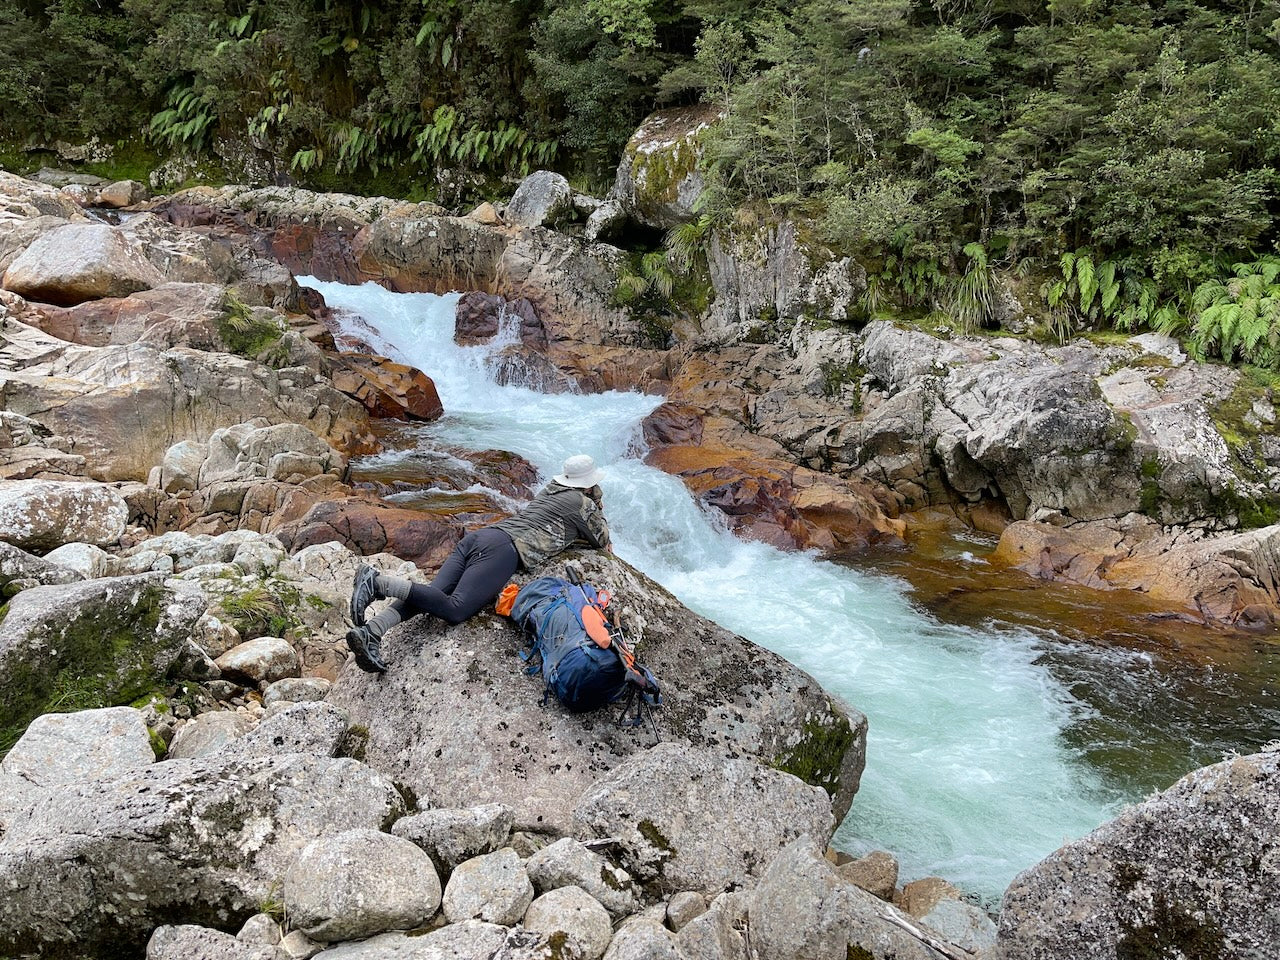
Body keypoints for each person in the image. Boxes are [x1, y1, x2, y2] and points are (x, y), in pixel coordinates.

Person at [345, 453, 612, 673]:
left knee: (433, 597)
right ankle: (378, 582)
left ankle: (372, 632)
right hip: (504, 550)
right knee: (455, 610)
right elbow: (601, 540)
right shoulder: (580, 501)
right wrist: (595, 501)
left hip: (482, 537)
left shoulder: (550, 492)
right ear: (588, 483)